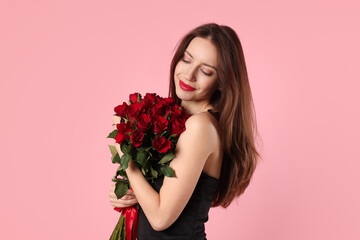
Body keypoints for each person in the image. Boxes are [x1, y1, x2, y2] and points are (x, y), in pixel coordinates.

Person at [109, 23, 261, 239]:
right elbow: (158, 196)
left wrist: (124, 150)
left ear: (221, 82)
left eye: (206, 71)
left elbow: (161, 218)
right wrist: (127, 194)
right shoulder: (179, 120)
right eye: (187, 59)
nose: (189, 74)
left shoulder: (200, 127)